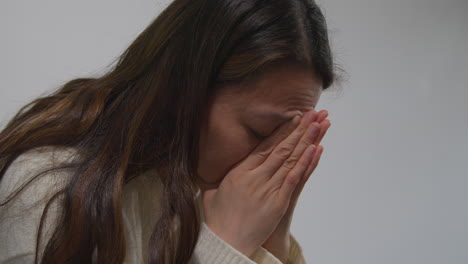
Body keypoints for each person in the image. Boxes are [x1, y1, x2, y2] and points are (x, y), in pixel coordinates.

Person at [0, 0, 340, 263]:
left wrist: (271, 238)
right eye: (261, 131)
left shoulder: (193, 192)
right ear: (185, 89)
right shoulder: (48, 189)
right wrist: (222, 249)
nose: (276, 155)